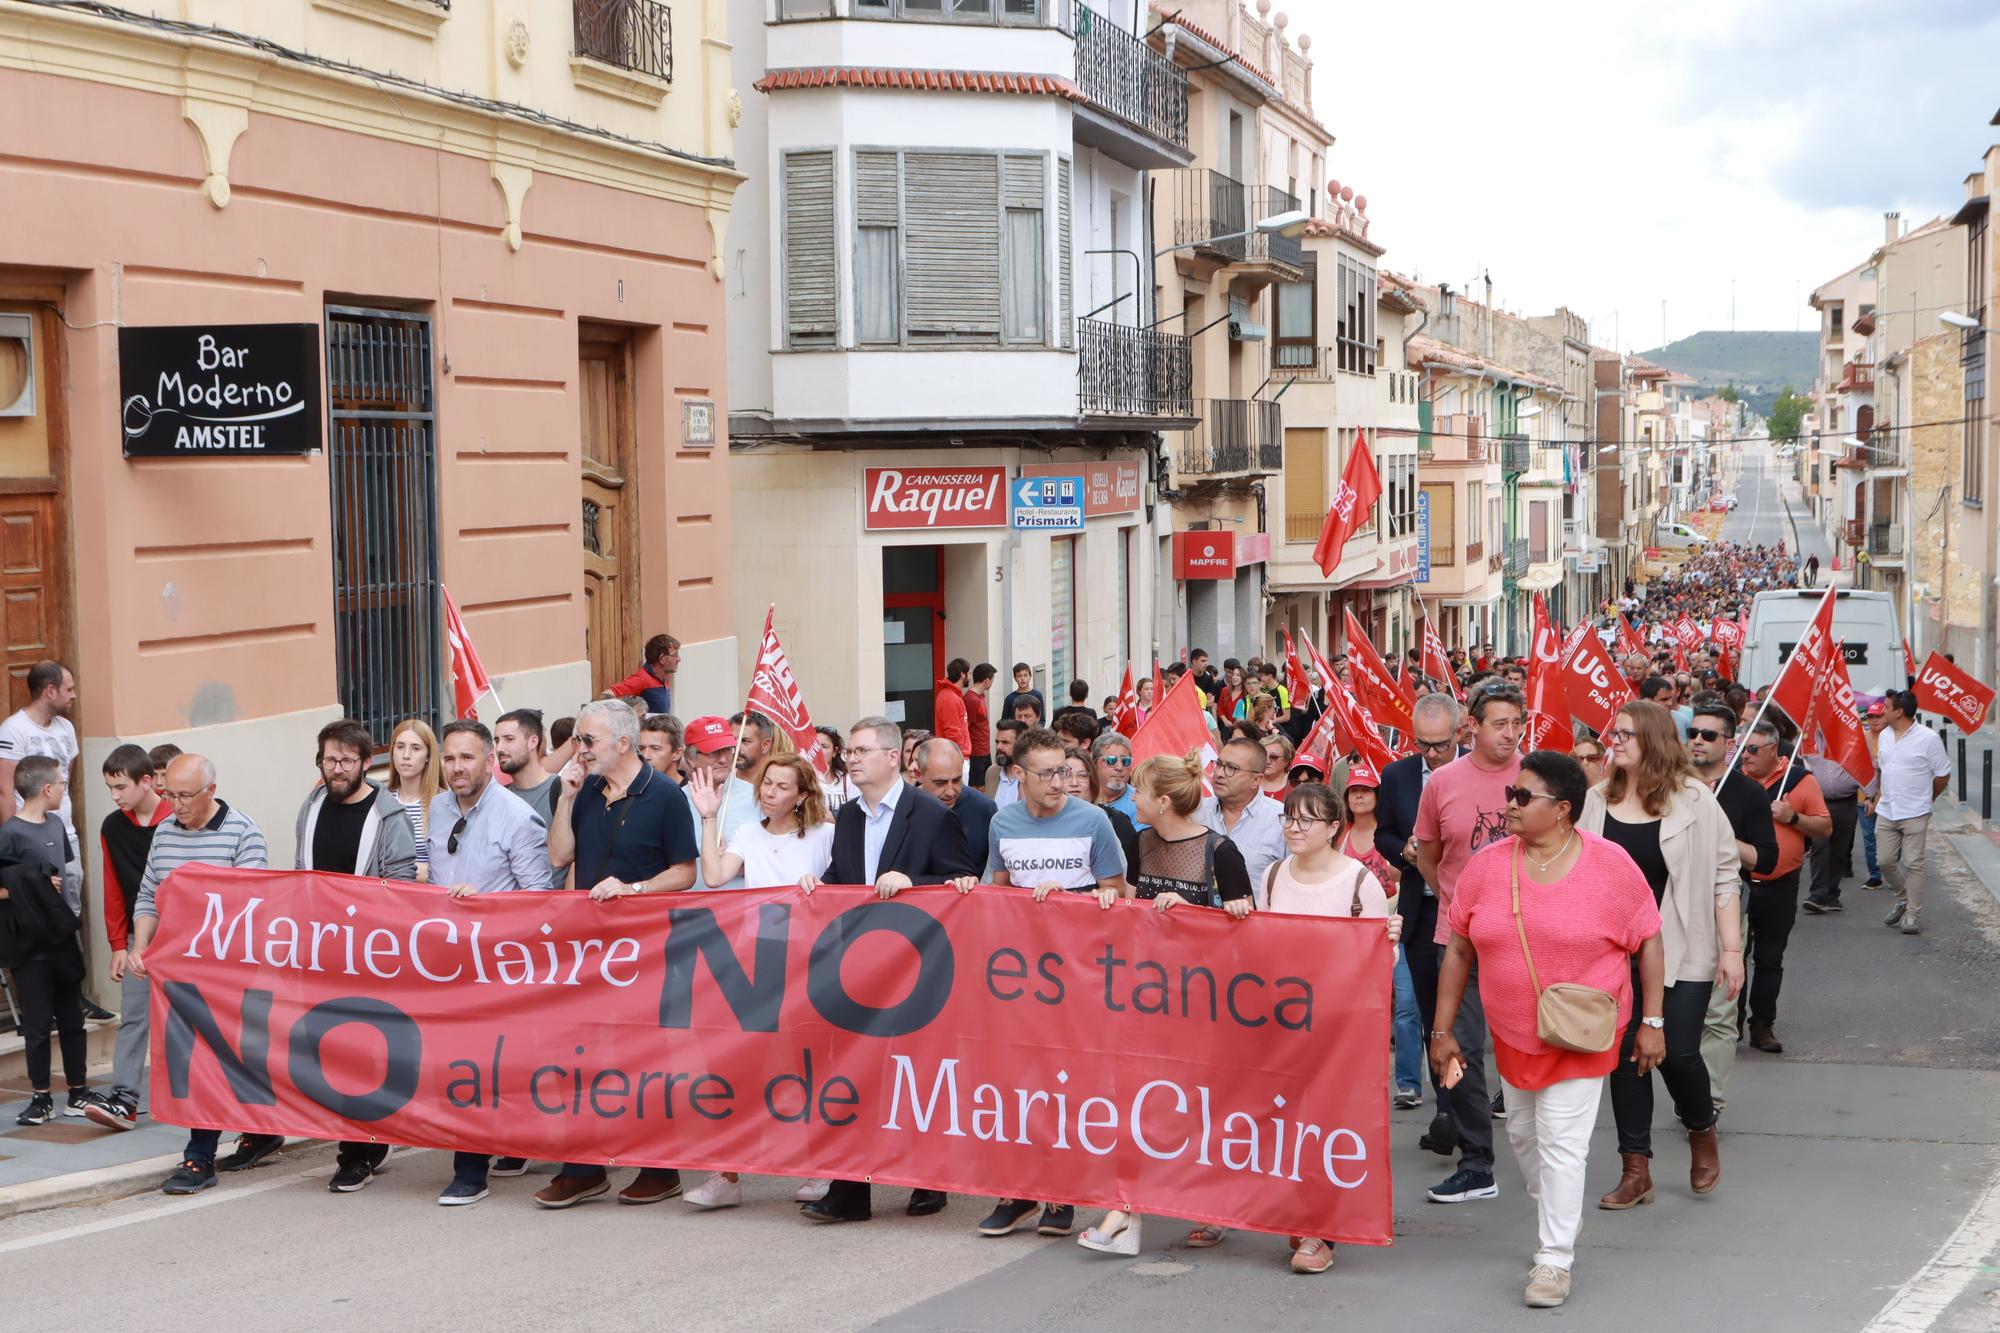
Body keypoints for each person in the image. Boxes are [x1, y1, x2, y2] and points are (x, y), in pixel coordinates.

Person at [1433, 751, 1666, 1309]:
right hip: (1513, 1033)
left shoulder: (1610, 865)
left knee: (1563, 1144)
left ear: (1562, 809)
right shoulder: (1488, 865)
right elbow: (1459, 947)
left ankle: (1554, 1260)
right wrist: (1442, 1030)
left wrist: (1652, 1020)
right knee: (1524, 1136)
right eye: (1510, 793)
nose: (1508, 805)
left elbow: (1649, 938)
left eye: (1522, 797)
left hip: (1583, 1034)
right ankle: (1555, 1210)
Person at [1076, 751, 1251, 1259]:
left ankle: (1207, 1206)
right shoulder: (1140, 842)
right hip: (1143, 999)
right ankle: (1125, 1212)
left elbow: (1249, 934)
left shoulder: (1220, 851)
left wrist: (1204, 914)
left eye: (1140, 792)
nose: (1132, 798)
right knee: (1137, 1105)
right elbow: (1134, 900)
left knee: (1197, 1110)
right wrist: (1109, 898)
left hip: (1201, 1006)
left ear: (1164, 801)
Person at [803, 716, 976, 1225]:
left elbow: (962, 885)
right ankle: (849, 1191)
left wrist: (912, 881)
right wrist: (821, 885)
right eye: (849, 752)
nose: (850, 758)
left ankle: (928, 1180)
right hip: (859, 968)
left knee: (915, 1077)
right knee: (854, 1076)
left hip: (918, 971)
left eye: (860, 750)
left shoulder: (931, 815)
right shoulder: (850, 818)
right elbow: (845, 878)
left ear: (892, 757)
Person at [1235, 781, 1406, 1273]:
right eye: (1289, 817)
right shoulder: (1271, 876)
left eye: (1307, 819)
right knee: (1288, 1123)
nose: (1294, 827)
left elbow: (1380, 960)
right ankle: (1300, 1210)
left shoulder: (1359, 882)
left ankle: (1320, 1231)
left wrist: (1387, 938)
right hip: (1284, 1025)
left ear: (1334, 828)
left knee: (1329, 1123)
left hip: (1341, 1029)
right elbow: (1264, 952)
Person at [536, 700, 699, 1209]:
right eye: (578, 740)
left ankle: (659, 1166)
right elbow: (560, 856)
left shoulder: (666, 795)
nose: (578, 751)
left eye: (588, 741)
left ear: (622, 744)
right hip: (591, 948)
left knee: (645, 1058)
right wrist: (563, 800)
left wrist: (636, 889)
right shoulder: (582, 790)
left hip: (648, 949)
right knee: (582, 1055)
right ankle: (582, 1167)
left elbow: (685, 872)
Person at [1579, 700, 1740, 1209]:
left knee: (1679, 1051)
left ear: (1652, 738)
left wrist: (1731, 949)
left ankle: (1700, 1129)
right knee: (1627, 1059)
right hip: (1615, 950)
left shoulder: (1695, 799)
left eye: (1626, 733)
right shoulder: (1596, 800)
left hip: (1684, 946)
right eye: (1613, 734)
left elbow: (1724, 874)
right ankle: (1635, 1169)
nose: (1616, 742)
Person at [977, 726, 1127, 1242]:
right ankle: (1016, 1193)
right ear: (1018, 774)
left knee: (1065, 1086)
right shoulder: (1002, 822)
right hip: (1018, 979)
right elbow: (996, 891)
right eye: (1045, 773)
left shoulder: (1095, 820)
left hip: (1077, 977)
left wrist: (1071, 897)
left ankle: (1061, 1195)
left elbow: (1117, 893)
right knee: (1017, 1085)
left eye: (1063, 770)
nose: (1059, 782)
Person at [679, 752, 835, 1211]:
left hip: (812, 962)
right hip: (757, 961)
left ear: (803, 794)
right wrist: (708, 818)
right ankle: (728, 1173)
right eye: (767, 783)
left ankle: (820, 1167)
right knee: (742, 1066)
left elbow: (846, 887)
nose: (769, 792)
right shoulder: (747, 832)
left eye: (782, 786)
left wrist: (822, 889)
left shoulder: (827, 835)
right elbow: (713, 876)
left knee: (812, 1068)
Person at [130, 755, 272, 1193]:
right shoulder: (164, 834)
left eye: (185, 796)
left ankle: (198, 1159)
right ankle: (256, 1134)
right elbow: (149, 894)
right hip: (181, 973)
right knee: (199, 1062)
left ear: (211, 790)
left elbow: (252, 907)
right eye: (169, 795)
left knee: (217, 1060)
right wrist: (141, 945)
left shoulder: (243, 834)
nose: (174, 805)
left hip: (228, 972)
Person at [291, 719, 421, 1192]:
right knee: (328, 1049)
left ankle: (357, 1152)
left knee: (361, 1053)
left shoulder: (388, 816)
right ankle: (365, 1139)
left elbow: (403, 885)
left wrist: (367, 925)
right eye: (329, 759)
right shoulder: (311, 805)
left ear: (368, 763)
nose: (337, 768)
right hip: (320, 953)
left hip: (368, 954)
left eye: (347, 760)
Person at [1410, 681, 1527, 1204]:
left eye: (1516, 723)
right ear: (1471, 727)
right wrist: (1456, 901)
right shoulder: (1442, 782)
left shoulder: (1535, 776)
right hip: (1458, 940)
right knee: (1459, 1049)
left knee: (1530, 1044)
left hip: (1528, 938)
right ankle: (1477, 1162)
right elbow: (1429, 856)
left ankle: (1547, 1152)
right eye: (1498, 723)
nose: (1509, 733)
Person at [427, 719, 551, 1205]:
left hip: (498, 965)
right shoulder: (436, 807)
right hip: (445, 960)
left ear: (489, 761)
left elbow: (541, 898)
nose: (457, 768)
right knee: (462, 1065)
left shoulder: (517, 818)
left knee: (475, 1066)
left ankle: (469, 1171)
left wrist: (487, 901)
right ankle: (511, 1140)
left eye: (467, 758)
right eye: (450, 758)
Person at [1380, 693, 1465, 1149]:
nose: (1431, 754)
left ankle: (1474, 1106)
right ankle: (1447, 1111)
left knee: (1471, 1019)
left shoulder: (1481, 773)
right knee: (1437, 1016)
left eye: (1441, 745)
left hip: (1473, 913)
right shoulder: (1396, 776)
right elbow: (1383, 831)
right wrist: (1404, 852)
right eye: (1423, 745)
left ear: (1460, 733)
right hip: (1423, 911)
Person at [0, 756, 98, 1125]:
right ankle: (41, 1098)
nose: (62, 788)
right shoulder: (9, 833)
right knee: (38, 1025)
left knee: (72, 1019)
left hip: (61, 935)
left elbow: (63, 875)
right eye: (59, 783)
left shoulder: (56, 824)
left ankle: (78, 1091)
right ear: (46, 789)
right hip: (29, 944)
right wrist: (32, 887)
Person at [85, 745, 173, 1131]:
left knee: (193, 1016)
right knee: (134, 1016)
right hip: (142, 935)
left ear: (147, 781)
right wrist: (118, 944)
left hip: (186, 934)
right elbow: (114, 888)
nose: (115, 795)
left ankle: (206, 1094)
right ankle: (124, 1100)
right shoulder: (112, 826)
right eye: (110, 787)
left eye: (121, 786)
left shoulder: (176, 818)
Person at [1727, 719, 1828, 1053]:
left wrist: (1793, 818)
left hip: (1780, 886)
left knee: (1770, 959)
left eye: (1753, 750)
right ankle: (1730, 1025)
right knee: (1733, 956)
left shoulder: (1799, 781)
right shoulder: (1732, 781)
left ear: (1773, 749)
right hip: (1735, 884)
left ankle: (1762, 1025)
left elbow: (1824, 828)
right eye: (1743, 749)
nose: (1746, 756)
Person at [1339, 760, 1424, 1109]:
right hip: (1351, 931)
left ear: (1378, 795)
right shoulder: (1337, 834)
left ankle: (1408, 1084)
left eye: (1365, 791)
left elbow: (1405, 871)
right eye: (1353, 791)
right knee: (1356, 1007)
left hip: (1393, 921)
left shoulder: (1391, 835)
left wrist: (1403, 859)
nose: (1359, 797)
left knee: (1405, 1006)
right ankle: (1357, 1076)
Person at [1872, 689, 1951, 936]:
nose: (1882, 711)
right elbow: (1883, 770)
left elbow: (1943, 774)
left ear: (1899, 712)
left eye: (1886, 707)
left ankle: (1912, 914)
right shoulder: (1884, 736)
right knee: (1884, 861)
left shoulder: (1928, 738)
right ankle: (1903, 897)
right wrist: (1877, 797)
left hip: (1915, 811)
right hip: (1887, 809)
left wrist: (1929, 798)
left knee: (1914, 862)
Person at [1197, 735, 1285, 909]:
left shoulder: (1281, 820)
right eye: (1219, 764)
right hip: (1200, 926)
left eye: (1231, 768)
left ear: (1256, 780)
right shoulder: (1196, 813)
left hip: (1256, 929)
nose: (1220, 773)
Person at [0, 661, 79, 839]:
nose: (74, 695)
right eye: (69, 690)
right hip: (29, 837)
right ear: (50, 691)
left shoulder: (67, 728)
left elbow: (65, 779)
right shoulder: (13, 730)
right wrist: (13, 842)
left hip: (66, 835)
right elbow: (5, 792)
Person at [683, 716, 757, 891]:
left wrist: (733, 866)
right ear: (690, 758)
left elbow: (776, 858)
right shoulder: (674, 799)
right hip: (690, 910)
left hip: (742, 909)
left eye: (727, 750)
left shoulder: (758, 796)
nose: (723, 759)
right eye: (713, 752)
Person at [917, 738, 995, 870]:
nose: (950, 792)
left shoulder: (984, 809)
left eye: (957, 780)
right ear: (919, 774)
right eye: (940, 783)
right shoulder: (904, 809)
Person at [1064, 744, 1139, 874]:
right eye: (1066, 775)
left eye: (1082, 776)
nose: (1074, 782)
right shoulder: (1040, 821)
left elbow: (1129, 879)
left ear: (1093, 780)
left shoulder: (1116, 821)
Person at [388, 718, 441, 882]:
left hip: (430, 899)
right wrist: (419, 870)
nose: (406, 755)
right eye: (400, 746)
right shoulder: (382, 802)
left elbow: (450, 865)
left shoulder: (443, 802)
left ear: (428, 756)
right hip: (391, 897)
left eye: (415, 748)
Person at [605, 632, 679, 713]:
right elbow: (605, 696)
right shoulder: (641, 679)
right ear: (662, 659)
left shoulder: (663, 677)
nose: (679, 659)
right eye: (675, 655)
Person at [1092, 732, 1141, 827]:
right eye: (1111, 760)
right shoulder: (1081, 795)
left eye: (1126, 761)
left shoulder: (1140, 804)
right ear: (1094, 764)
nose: (1119, 767)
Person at [967, 663, 997, 788]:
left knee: (986, 784)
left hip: (984, 749)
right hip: (976, 752)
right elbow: (966, 726)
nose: (993, 682)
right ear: (987, 680)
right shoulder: (971, 699)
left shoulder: (981, 696)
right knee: (978, 787)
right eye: (992, 679)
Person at [935, 658, 973, 756]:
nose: (970, 678)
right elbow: (953, 732)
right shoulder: (950, 697)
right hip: (956, 756)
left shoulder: (952, 695)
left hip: (957, 755)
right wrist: (958, 756)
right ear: (962, 674)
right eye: (969, 674)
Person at [985, 719, 1025, 808]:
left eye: (1005, 742)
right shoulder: (991, 772)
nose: (999, 747)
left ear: (1020, 745)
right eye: (997, 742)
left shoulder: (1030, 775)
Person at [731, 710, 776, 786]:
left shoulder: (776, 787)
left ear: (765, 745)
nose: (736, 748)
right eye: (732, 740)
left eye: (745, 741)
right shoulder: (721, 782)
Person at [636, 713, 686, 783]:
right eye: (641, 748)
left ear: (677, 753)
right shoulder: (629, 788)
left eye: (655, 749)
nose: (645, 756)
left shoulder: (693, 792)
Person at [1259, 731, 1296, 799]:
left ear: (1287, 760)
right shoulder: (1250, 782)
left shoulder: (1295, 786)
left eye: (1274, 757)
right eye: (1264, 755)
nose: (1267, 761)